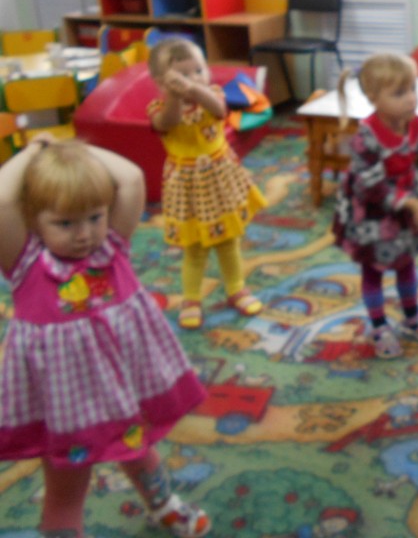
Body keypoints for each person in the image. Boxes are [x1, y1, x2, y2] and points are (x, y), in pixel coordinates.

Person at [0, 137, 210, 537]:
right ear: (32, 219)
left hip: (122, 389)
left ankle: (163, 505)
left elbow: (130, 179)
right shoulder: (25, 264)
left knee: (139, 450)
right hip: (65, 408)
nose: (84, 234)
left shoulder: (110, 248)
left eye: (95, 217)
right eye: (65, 223)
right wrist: (32, 154)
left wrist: (73, 149)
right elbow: (1, 200)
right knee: (66, 485)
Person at [147, 38, 267, 330]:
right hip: (188, 189)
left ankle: (236, 288)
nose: (193, 79)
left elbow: (219, 109)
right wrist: (176, 96)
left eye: (199, 70)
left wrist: (193, 89)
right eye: (182, 75)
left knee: (228, 241)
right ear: (160, 82)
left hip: (220, 181)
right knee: (195, 248)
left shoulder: (212, 94)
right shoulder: (159, 108)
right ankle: (191, 299)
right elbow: (167, 122)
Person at [333, 52, 418, 359]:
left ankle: (412, 318)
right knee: (374, 270)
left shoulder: (417, 126)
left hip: (406, 210)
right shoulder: (365, 136)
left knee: (406, 262)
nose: (411, 98)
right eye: (399, 93)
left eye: (413, 89)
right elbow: (369, 185)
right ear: (373, 98)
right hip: (373, 214)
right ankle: (379, 326)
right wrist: (409, 202)